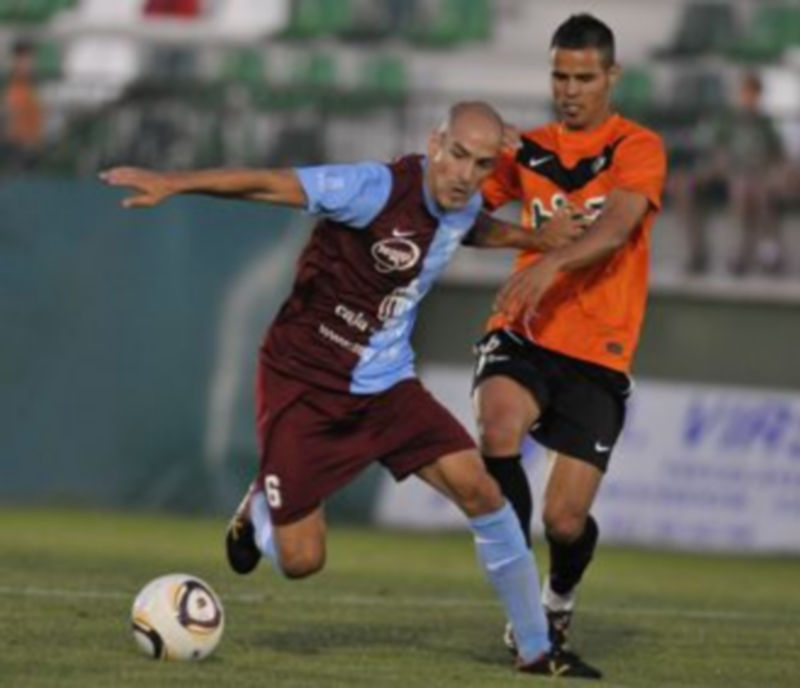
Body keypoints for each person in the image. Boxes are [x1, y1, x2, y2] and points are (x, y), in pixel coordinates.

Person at [101, 101, 600, 678]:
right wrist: (174, 182)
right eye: (458, 155)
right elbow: (268, 184)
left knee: (483, 493)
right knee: (302, 561)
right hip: (305, 383)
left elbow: (471, 228)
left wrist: (535, 237)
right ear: (436, 142)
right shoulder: (372, 188)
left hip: (387, 388)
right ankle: (260, 504)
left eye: (482, 165)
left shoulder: (462, 205)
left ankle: (537, 651)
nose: (465, 174)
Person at [472, 14, 667, 662]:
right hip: (524, 330)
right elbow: (469, 220)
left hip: (598, 351)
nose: (570, 89)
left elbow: (616, 227)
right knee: (497, 427)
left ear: (611, 76)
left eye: (584, 77)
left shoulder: (638, 147)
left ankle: (557, 598)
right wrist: (522, 235)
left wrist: (554, 261)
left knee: (564, 521)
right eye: (560, 75)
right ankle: (528, 614)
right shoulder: (523, 149)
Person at [671, 71, 786, 276]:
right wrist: (711, 169)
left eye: (753, 94)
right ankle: (697, 253)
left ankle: (744, 257)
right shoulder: (726, 121)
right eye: (745, 93)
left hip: (752, 177)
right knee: (684, 186)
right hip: (722, 172)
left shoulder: (765, 124)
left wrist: (770, 175)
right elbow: (714, 151)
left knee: (747, 191)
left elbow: (777, 157)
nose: (748, 98)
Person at [2, 40, 43, 170]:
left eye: (30, 59)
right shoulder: (10, 85)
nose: (27, 64)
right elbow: (8, 115)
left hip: (30, 147)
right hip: (13, 147)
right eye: (23, 59)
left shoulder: (34, 85)